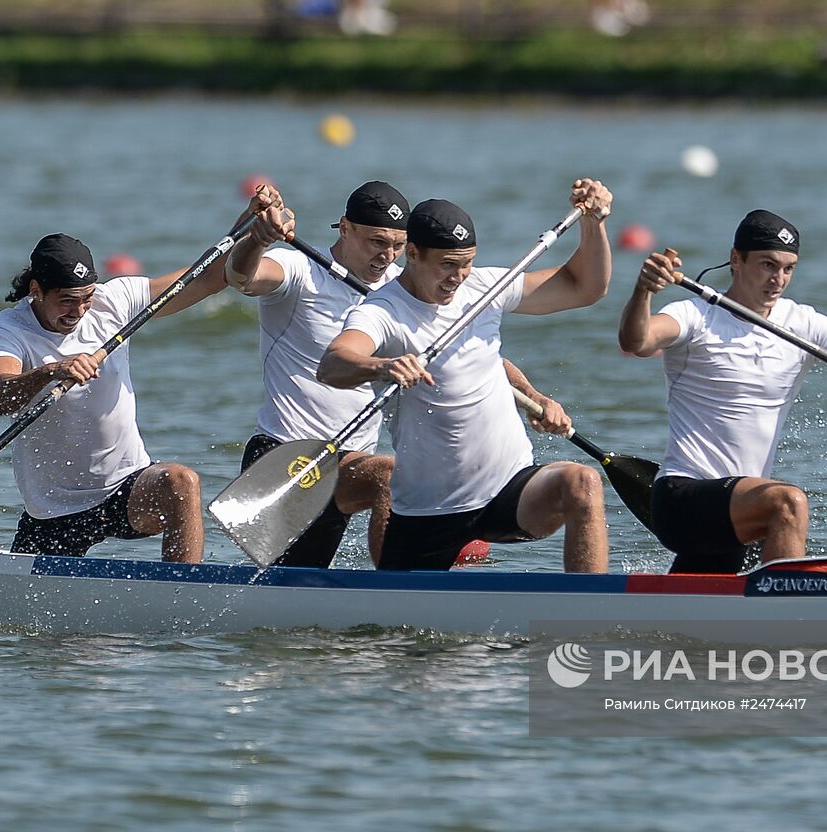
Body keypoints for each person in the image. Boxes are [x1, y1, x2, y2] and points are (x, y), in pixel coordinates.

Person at [224, 182, 572, 568]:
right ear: (344, 228)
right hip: (286, 455)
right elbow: (242, 277)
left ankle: (409, 590)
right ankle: (397, 592)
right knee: (388, 476)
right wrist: (257, 240)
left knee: (311, 574)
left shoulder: (405, 289)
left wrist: (532, 397)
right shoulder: (300, 269)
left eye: (395, 245)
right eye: (375, 241)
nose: (385, 255)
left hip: (351, 461)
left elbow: (472, 356)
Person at [618, 209, 827, 573]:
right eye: (768, 265)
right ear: (736, 260)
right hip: (683, 497)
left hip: (740, 514)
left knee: (706, 606)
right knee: (787, 503)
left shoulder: (801, 323)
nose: (778, 279)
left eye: (789, 268)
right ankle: (788, 609)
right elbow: (639, 340)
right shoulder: (696, 315)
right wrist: (643, 291)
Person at [317, 180, 614, 573]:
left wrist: (593, 224)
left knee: (582, 484)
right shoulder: (382, 312)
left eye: (466, 263)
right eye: (447, 265)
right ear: (413, 253)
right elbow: (334, 363)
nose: (458, 278)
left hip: (508, 489)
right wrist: (382, 366)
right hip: (428, 509)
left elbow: (585, 287)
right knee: (395, 628)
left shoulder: (485, 288)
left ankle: (588, 616)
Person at [0, 230, 235, 563]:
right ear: (36, 290)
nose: (80, 310)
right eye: (68, 300)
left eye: (86, 297)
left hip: (124, 488)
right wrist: (52, 371)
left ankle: (180, 596)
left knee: (180, 483)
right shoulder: (8, 332)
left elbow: (210, 279)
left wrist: (254, 228)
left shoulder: (114, 300)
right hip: (54, 510)